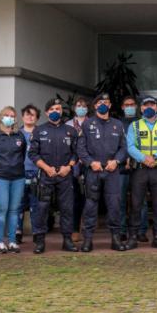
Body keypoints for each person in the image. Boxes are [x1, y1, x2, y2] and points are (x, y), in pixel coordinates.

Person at [76, 93, 127, 252]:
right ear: (95, 106)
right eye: (99, 103)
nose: (103, 105)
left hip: (112, 171)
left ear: (110, 105)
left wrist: (116, 161)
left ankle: (115, 239)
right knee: (91, 206)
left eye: (106, 102)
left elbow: (124, 148)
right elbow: (81, 148)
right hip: (94, 171)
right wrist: (91, 163)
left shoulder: (118, 125)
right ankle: (88, 240)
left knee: (114, 206)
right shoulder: (87, 124)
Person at [27, 98, 78, 254]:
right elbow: (33, 154)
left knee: (67, 208)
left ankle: (67, 240)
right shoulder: (39, 130)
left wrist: (68, 167)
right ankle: (40, 241)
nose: (56, 111)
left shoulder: (70, 131)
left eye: (58, 109)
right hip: (46, 175)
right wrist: (46, 168)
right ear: (47, 112)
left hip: (65, 175)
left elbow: (77, 153)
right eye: (53, 109)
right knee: (42, 209)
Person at [126, 96, 157, 249]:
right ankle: (133, 238)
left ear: (156, 107)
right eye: (146, 105)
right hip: (140, 170)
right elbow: (130, 146)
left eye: (152, 105)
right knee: (136, 204)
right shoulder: (134, 126)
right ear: (141, 108)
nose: (149, 108)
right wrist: (143, 158)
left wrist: (154, 157)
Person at [0, 106, 26, 254]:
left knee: (14, 210)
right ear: (0, 117)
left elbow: (23, 154)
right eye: (6, 115)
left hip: (18, 178)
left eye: (12, 116)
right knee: (2, 210)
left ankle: (13, 241)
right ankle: (0, 241)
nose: (10, 118)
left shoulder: (19, 136)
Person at [116, 96, 144, 243]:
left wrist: (134, 158)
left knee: (140, 200)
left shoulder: (142, 123)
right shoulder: (116, 123)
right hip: (120, 167)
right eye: (127, 105)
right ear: (122, 107)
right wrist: (123, 159)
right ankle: (121, 230)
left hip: (139, 166)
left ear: (137, 106)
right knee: (119, 200)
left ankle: (141, 230)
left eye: (132, 104)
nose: (129, 107)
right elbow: (115, 145)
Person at [66, 97, 91, 244]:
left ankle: (87, 228)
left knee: (89, 198)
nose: (81, 108)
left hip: (89, 165)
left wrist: (86, 158)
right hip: (73, 165)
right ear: (74, 108)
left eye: (84, 106)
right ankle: (75, 229)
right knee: (75, 199)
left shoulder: (92, 123)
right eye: (78, 105)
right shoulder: (68, 124)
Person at [15, 104, 40, 245]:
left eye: (33, 114)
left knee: (35, 205)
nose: (30, 117)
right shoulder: (17, 134)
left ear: (37, 118)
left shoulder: (41, 133)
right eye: (27, 114)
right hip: (20, 173)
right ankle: (17, 232)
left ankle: (36, 232)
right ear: (22, 117)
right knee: (18, 204)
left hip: (37, 173)